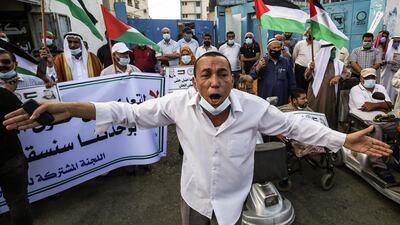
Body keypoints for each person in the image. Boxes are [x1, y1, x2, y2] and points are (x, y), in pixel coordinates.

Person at [2, 51, 392, 225]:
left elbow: (295, 126)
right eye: (206, 74)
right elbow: (129, 112)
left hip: (235, 203)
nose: (214, 81)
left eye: (222, 73)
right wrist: (73, 108)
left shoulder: (252, 106)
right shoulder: (178, 104)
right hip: (194, 202)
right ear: (195, 81)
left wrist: (342, 139)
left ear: (232, 79)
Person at [349, 68, 396, 184]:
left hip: (383, 118)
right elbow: (365, 107)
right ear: (361, 78)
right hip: (363, 119)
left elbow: (389, 105)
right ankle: (378, 164)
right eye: (367, 77)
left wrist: (375, 105)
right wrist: (381, 106)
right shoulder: (355, 89)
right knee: (376, 129)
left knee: (397, 126)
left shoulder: (380, 88)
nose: (370, 80)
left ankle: (396, 155)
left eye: (372, 77)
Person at [0, 87, 33, 225]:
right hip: (10, 157)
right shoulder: (3, 93)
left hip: (10, 159)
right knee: (18, 201)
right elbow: (28, 111)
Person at [304, 42, 350, 129]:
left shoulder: (338, 64)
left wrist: (339, 77)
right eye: (331, 51)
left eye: (334, 51)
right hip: (316, 95)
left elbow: (347, 73)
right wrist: (310, 69)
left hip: (330, 93)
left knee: (329, 113)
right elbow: (306, 77)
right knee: (314, 113)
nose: (333, 53)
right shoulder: (314, 63)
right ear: (325, 52)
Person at [278, 88, 325, 157]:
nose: (306, 100)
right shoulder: (283, 110)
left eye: (306, 98)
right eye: (303, 99)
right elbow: (271, 122)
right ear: (294, 100)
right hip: (294, 137)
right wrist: (277, 133)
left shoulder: (308, 110)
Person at [250, 38, 295, 106]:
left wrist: (292, 95)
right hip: (265, 98)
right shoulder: (262, 61)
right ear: (268, 49)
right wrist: (258, 67)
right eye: (274, 47)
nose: (276, 49)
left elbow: (292, 81)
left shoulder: (286, 62)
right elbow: (252, 76)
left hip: (282, 98)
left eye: (278, 47)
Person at [380, 36, 400, 102]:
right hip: (386, 73)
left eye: (398, 42)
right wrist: (388, 62)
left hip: (396, 74)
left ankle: (391, 103)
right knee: (384, 87)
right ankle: (383, 102)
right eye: (395, 41)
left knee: (394, 88)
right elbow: (380, 62)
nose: (396, 43)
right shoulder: (386, 51)